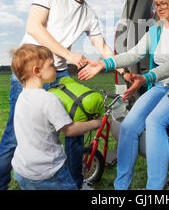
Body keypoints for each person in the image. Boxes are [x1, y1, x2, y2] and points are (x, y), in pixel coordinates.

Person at [0, 0, 122, 190]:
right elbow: (34, 26)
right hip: (32, 70)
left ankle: (76, 182)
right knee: (14, 133)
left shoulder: (90, 14)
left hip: (58, 72)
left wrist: (120, 67)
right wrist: (69, 55)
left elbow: (101, 45)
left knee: (75, 124)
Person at [78, 0, 169, 190]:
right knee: (129, 126)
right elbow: (134, 54)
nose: (159, 8)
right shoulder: (155, 31)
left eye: (163, 3)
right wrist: (104, 63)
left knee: (155, 121)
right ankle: (121, 187)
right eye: (156, 4)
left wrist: (146, 78)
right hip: (161, 86)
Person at [9, 44, 101, 190]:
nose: (56, 69)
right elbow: (69, 130)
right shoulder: (49, 99)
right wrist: (96, 123)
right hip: (48, 171)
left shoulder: (21, 97)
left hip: (22, 170)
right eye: (52, 65)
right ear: (37, 71)